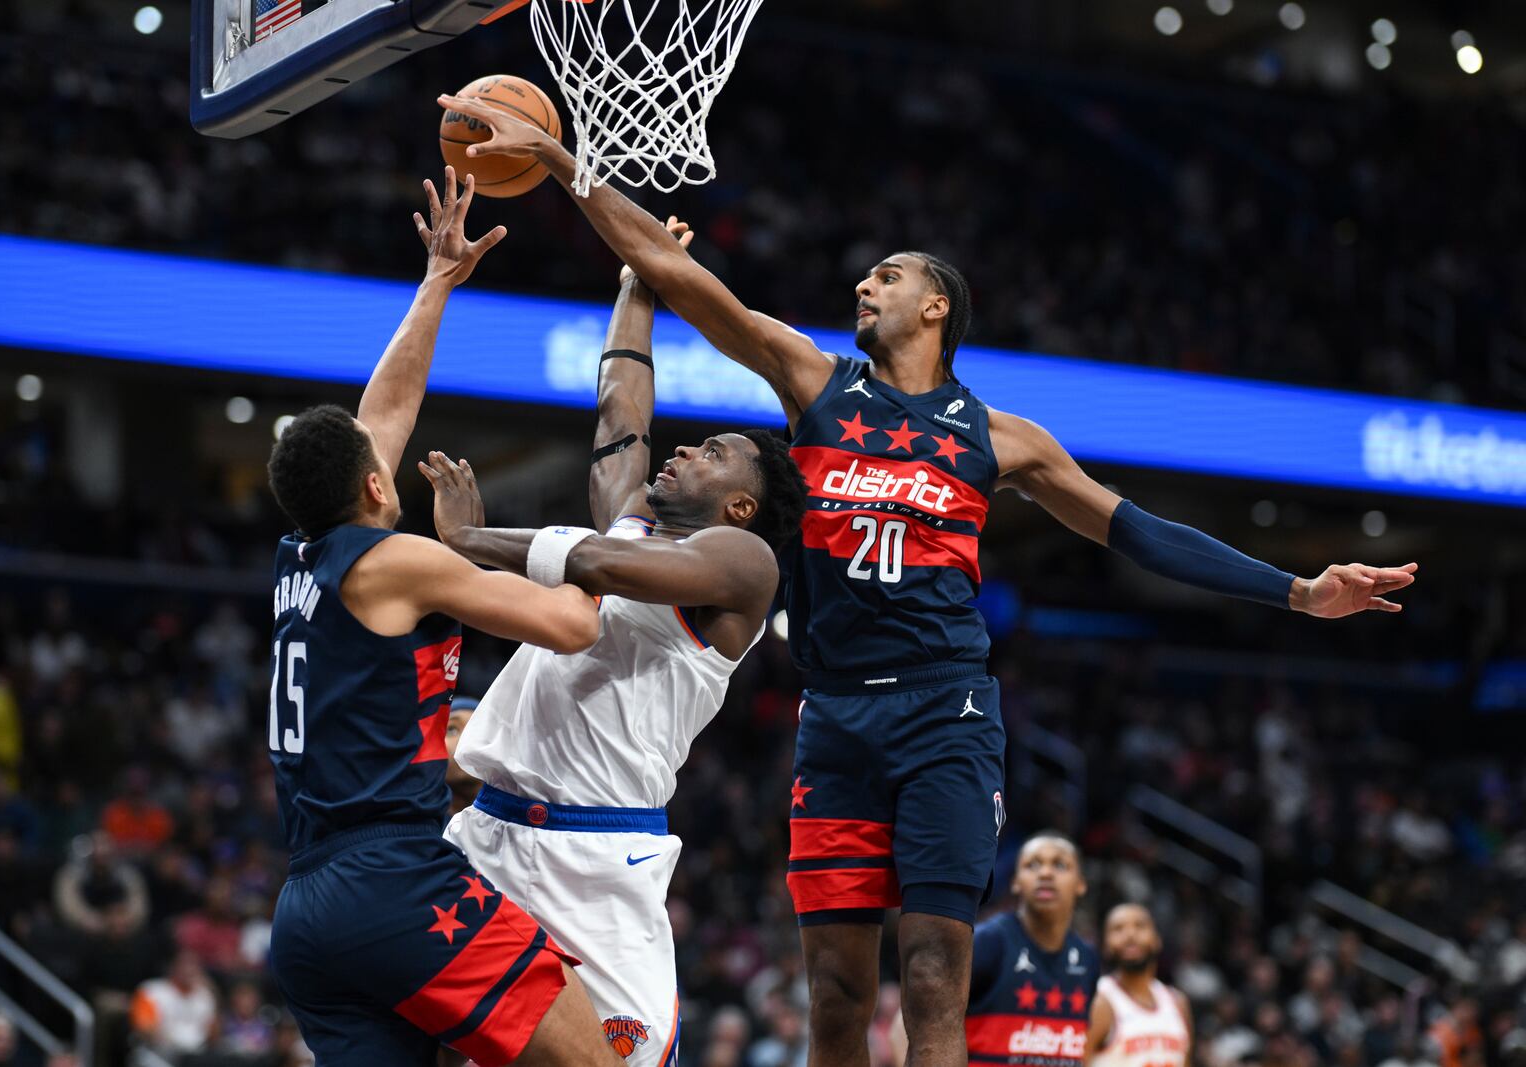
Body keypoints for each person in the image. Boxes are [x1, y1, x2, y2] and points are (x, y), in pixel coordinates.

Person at [436, 90, 1423, 1067]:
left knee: (935, 982)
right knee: (833, 994)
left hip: (942, 711)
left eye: (888, 275)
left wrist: (1296, 590)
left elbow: (1139, 532)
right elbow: (668, 268)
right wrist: (567, 168)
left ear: (935, 305)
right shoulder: (815, 384)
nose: (864, 285)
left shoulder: (1001, 438)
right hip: (833, 714)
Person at [421, 220, 808, 1066]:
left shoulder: (742, 565)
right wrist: (638, 283)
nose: (686, 450)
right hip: (482, 833)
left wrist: (469, 541)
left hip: (596, 862)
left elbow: (596, 559)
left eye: (714, 454)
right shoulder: (638, 523)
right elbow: (620, 409)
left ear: (742, 505)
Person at [262, 167, 619, 1067]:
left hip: (307, 906)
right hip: (395, 882)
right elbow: (575, 624)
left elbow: (378, 419)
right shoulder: (401, 559)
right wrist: (594, 544)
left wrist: (437, 284)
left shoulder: (300, 555)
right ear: (377, 486)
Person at [892, 833, 1098, 1066]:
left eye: (1059, 865)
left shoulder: (1087, 958)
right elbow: (904, 1027)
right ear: (1016, 882)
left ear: (1081, 883)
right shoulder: (989, 942)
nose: (1045, 873)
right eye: (1033, 865)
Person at [1087, 904, 1192, 1067]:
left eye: (1140, 926)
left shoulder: (1177, 1002)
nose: (1130, 935)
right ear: (1105, 946)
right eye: (1118, 929)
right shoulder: (1098, 1002)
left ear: (1157, 940)